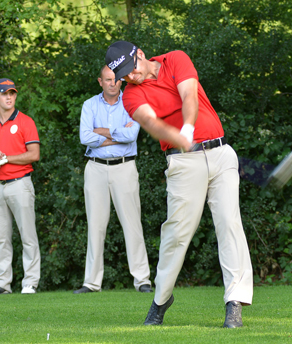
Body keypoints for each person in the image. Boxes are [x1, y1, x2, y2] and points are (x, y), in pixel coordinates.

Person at [105, 41, 253, 327]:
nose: (131, 77)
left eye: (131, 68)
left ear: (141, 55)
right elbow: (151, 123)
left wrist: (187, 128)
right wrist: (178, 137)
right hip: (183, 163)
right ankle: (161, 298)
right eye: (124, 75)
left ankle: (234, 301)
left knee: (229, 223)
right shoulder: (131, 97)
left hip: (221, 154)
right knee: (176, 235)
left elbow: (189, 96)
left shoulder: (175, 59)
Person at [74, 66, 152, 294]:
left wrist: (102, 132)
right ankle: (91, 283)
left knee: (132, 224)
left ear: (121, 82)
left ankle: (142, 280)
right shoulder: (89, 105)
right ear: (100, 81)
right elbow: (84, 137)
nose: (112, 83)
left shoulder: (131, 102)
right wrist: (116, 134)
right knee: (95, 226)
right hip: (96, 169)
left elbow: (132, 135)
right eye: (108, 79)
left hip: (125, 167)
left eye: (116, 79)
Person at [0, 78, 41, 295]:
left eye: (12, 93)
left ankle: (30, 282)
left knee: (27, 235)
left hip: (19, 183)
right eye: (4, 94)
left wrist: (7, 158)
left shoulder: (25, 122)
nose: (9, 97)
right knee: (1, 238)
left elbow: (34, 154)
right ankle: (2, 283)